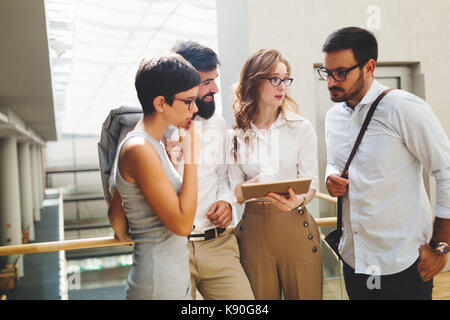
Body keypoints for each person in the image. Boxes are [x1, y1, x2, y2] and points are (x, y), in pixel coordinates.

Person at [321, 26, 450, 300]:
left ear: (369, 67)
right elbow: (335, 162)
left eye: (341, 73)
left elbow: (446, 171)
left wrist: (441, 246)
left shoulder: (404, 108)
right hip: (354, 259)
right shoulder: (333, 117)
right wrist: (330, 175)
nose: (332, 82)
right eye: (327, 73)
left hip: (403, 261)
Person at [229, 49, 323, 300]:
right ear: (254, 81)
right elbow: (233, 190)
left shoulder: (300, 128)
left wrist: (300, 199)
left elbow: (311, 180)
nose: (282, 86)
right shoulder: (235, 136)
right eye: (274, 79)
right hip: (254, 237)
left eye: (285, 78)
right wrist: (252, 185)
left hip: (296, 227)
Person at [164, 40, 254, 300]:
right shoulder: (157, 129)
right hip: (172, 251)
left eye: (215, 79)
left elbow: (224, 178)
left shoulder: (217, 123)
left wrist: (226, 203)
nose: (215, 88)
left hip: (218, 245)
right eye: (206, 82)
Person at [107, 54, 202, 299]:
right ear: (161, 103)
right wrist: (192, 157)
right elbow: (182, 225)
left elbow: (117, 216)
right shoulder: (140, 148)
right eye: (189, 101)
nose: (195, 108)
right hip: (157, 287)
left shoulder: (148, 144)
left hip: (165, 281)